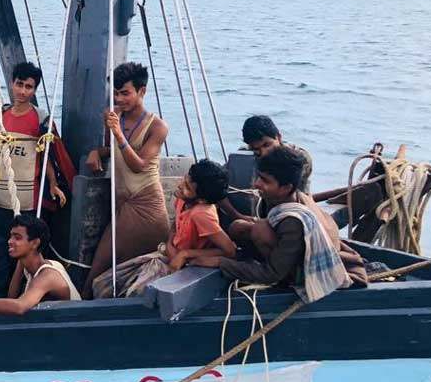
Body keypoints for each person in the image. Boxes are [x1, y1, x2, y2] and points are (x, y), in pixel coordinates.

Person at [192, 147, 354, 302]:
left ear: (286, 188)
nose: (256, 184)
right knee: (238, 227)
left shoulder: (293, 221)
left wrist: (221, 263)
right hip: (284, 256)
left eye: (265, 180)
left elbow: (272, 274)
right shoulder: (276, 200)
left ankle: (277, 280)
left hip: (296, 273)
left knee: (260, 229)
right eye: (259, 177)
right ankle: (249, 261)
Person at [82, 62, 171, 298]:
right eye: (115, 93)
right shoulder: (113, 116)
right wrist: (97, 152)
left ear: (142, 91)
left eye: (125, 93)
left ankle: (82, 305)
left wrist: (117, 133)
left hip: (145, 206)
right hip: (122, 204)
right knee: (111, 271)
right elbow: (115, 150)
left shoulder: (157, 126)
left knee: (99, 267)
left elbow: (138, 165)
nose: (119, 99)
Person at [93, 160, 237, 298]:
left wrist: (185, 254)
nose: (180, 186)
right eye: (185, 179)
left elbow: (229, 250)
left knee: (135, 295)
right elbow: (175, 226)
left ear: (201, 200)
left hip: (184, 267)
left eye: (187, 187)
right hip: (167, 255)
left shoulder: (201, 214)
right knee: (102, 284)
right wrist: (169, 244)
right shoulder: (182, 199)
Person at [0, 62, 75, 238]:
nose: (23, 91)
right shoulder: (2, 115)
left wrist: (53, 184)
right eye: (19, 84)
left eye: (28, 87)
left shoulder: (41, 119)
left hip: (27, 199)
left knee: (23, 242)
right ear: (12, 83)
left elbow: (47, 155)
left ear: (34, 90)